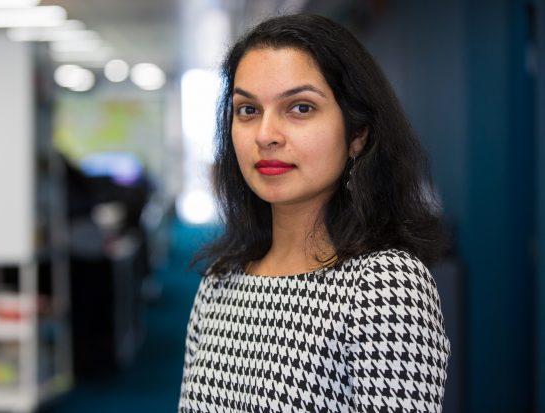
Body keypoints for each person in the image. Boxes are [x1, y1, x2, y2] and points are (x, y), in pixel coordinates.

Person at [179, 14, 450, 413]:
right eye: (248, 110)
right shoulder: (221, 279)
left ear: (357, 134)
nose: (266, 134)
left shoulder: (384, 286)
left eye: (300, 107)